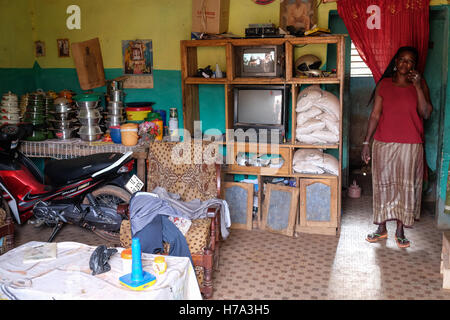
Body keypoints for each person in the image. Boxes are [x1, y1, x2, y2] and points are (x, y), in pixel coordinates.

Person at [362, 46, 433, 248]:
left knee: (405, 187)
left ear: (414, 66)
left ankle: (400, 231)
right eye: (401, 59)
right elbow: (375, 115)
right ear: (395, 62)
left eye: (410, 61)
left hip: (410, 145)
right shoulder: (384, 85)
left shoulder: (420, 84)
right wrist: (367, 142)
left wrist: (418, 86)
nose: (405, 64)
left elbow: (426, 113)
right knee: (383, 186)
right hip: (384, 143)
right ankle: (381, 228)